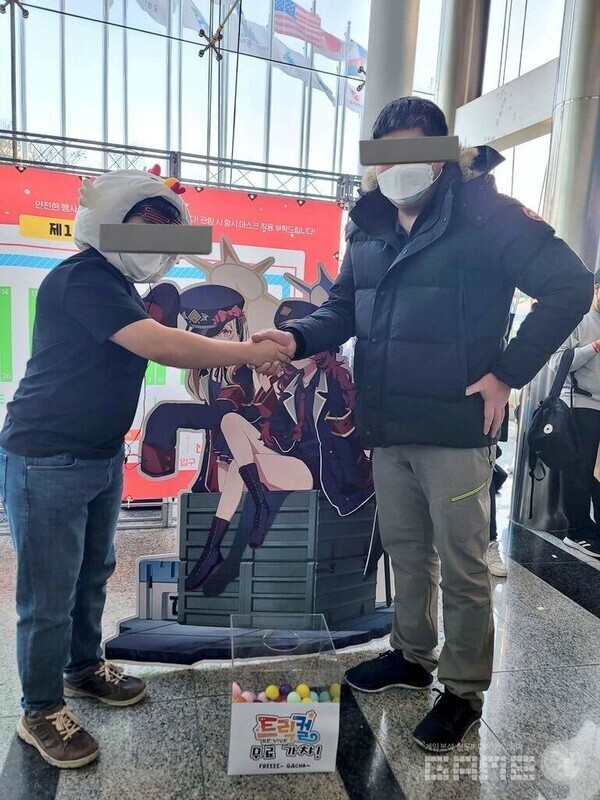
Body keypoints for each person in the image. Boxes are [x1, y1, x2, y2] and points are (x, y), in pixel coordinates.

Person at [253, 97, 592, 751]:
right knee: (407, 551)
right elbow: (344, 308)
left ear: (442, 156)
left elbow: (570, 286)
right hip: (387, 423)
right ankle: (412, 654)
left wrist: (507, 373)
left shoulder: (487, 215)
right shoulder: (368, 225)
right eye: (387, 157)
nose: (398, 168)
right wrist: (295, 339)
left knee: (462, 565)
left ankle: (463, 690)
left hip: (455, 426)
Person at [0, 168, 289, 770]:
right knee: (48, 595)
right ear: (108, 222)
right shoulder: (83, 277)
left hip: (99, 454)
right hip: (47, 458)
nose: (157, 242)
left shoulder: (116, 284)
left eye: (166, 229)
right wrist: (249, 351)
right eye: (147, 225)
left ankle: (82, 668)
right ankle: (40, 709)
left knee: (92, 574)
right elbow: (162, 345)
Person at [550, 281, 600, 558]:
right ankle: (577, 531)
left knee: (597, 474)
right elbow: (556, 362)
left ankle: (594, 530)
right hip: (580, 404)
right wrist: (594, 347)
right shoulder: (578, 320)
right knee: (579, 471)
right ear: (597, 289)